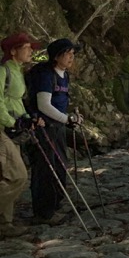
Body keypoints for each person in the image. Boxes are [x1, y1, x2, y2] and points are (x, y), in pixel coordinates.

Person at [29, 38, 83, 224]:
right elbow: (44, 105)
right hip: (44, 128)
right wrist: (66, 119)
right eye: (68, 53)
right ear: (56, 56)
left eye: (73, 54)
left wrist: (71, 119)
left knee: (60, 166)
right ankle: (44, 212)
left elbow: (60, 103)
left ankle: (55, 204)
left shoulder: (64, 74)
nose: (71, 57)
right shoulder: (46, 74)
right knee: (46, 169)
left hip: (58, 127)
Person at [0, 32, 42, 236]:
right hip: (3, 129)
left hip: (12, 129)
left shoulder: (17, 70)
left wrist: (27, 117)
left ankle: (5, 224)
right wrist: (12, 121)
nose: (31, 50)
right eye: (26, 47)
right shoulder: (3, 71)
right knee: (18, 176)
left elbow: (14, 101)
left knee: (8, 176)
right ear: (13, 51)